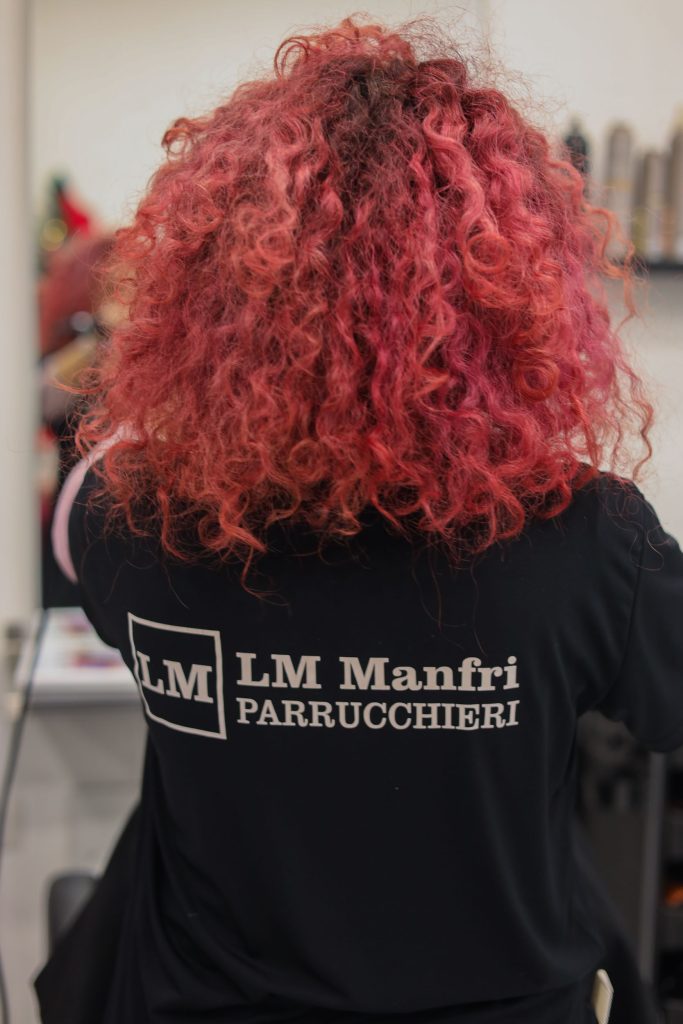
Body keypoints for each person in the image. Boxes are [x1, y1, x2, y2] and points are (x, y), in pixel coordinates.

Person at [34, 15, 683, 1024]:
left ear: (217, 294)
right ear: (515, 297)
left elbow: (90, 480)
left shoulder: (136, 523)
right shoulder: (590, 541)